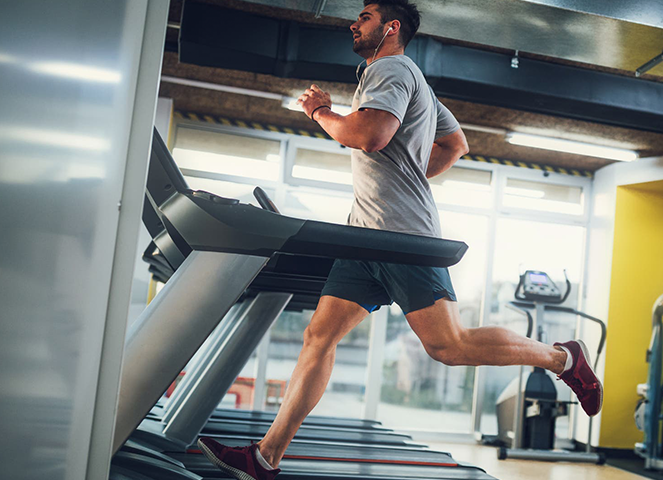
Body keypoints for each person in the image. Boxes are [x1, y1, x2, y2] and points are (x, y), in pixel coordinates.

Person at [198, 1, 603, 478]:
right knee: (318, 337)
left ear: (390, 28)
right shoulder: (414, 83)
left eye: (365, 17)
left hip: (402, 238)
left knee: (447, 346)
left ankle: (562, 358)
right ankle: (266, 457)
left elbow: (368, 135)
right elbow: (456, 144)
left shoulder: (391, 69)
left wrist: (320, 112)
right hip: (365, 241)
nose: (355, 22)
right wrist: (412, 173)